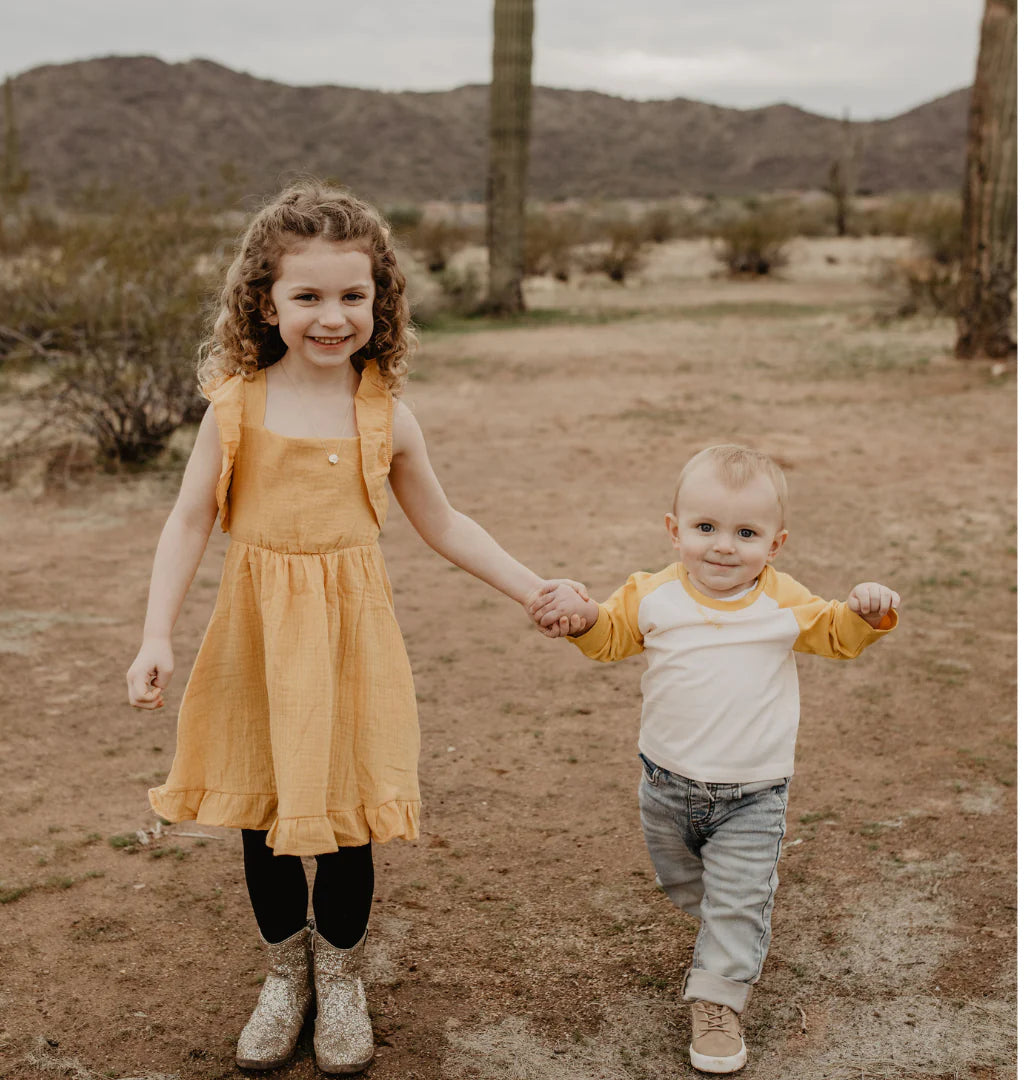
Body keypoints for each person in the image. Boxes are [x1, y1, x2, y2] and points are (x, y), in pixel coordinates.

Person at [126, 179, 582, 1074]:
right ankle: (282, 976)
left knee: (344, 820)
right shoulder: (235, 409)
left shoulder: (386, 416)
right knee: (260, 809)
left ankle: (339, 975)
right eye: (307, 297)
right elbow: (186, 523)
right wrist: (155, 636)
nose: (331, 317)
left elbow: (445, 524)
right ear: (266, 303)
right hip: (255, 638)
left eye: (352, 296)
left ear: (382, 301)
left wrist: (533, 588)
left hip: (350, 644)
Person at [528, 444, 899, 1075]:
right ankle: (737, 919)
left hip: (754, 793)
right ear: (675, 532)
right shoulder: (651, 596)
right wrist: (583, 617)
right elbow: (610, 635)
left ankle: (718, 998)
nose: (724, 547)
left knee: (733, 902)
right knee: (685, 886)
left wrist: (871, 610)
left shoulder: (782, 601)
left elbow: (838, 634)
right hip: (666, 786)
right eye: (706, 529)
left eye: (745, 533)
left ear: (775, 545)